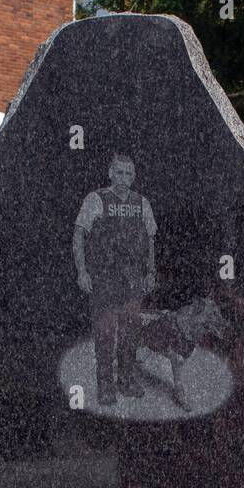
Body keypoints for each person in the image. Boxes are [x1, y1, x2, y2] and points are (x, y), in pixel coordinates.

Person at [73, 153, 157, 405]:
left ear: (134, 177)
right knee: (106, 335)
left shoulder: (142, 203)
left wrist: (151, 272)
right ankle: (106, 386)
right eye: (119, 172)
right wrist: (82, 271)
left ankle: (127, 379)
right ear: (110, 172)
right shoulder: (96, 199)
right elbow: (79, 236)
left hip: (132, 280)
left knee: (131, 334)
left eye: (128, 174)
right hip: (104, 280)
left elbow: (151, 240)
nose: (123, 178)